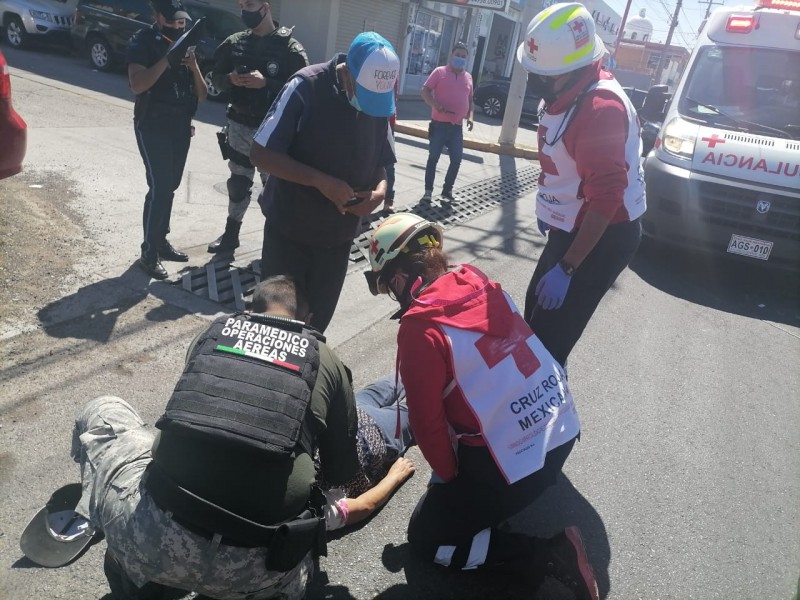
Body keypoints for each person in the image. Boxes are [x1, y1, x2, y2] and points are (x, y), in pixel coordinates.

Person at [69, 276, 360, 599]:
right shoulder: (326, 359)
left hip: (147, 537)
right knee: (306, 561)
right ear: (308, 320)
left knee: (103, 409)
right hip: (257, 570)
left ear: (249, 310)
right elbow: (341, 473)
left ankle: (135, 574)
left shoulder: (213, 333)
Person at [363, 213, 599, 600]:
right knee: (459, 499)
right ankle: (493, 504)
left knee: (427, 538)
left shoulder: (421, 327)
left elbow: (428, 425)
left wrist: (449, 478)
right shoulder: (478, 281)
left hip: (516, 461)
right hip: (559, 433)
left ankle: (549, 556)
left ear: (400, 279)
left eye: (390, 287)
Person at [516, 2, 646, 367]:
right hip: (572, 227)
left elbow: (606, 198)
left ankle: (548, 398)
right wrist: (552, 210)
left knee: (547, 344)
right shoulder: (568, 91)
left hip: (601, 236)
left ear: (576, 69)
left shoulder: (599, 110)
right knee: (533, 325)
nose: (537, 81)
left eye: (545, 75)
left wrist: (568, 268)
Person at [250, 31, 398, 333]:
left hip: (337, 241)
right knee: (277, 327)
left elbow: (381, 164)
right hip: (289, 233)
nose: (368, 106)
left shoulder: (379, 103)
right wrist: (320, 181)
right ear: (347, 73)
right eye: (364, 94)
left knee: (315, 330)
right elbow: (260, 153)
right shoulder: (306, 86)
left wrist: (379, 193)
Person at [206, 0, 309, 254]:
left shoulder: (290, 48)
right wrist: (230, 79)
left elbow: (304, 91)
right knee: (238, 183)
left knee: (275, 190)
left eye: (250, 4)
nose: (245, 11)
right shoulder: (234, 43)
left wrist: (267, 84)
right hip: (239, 126)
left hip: (273, 131)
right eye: (242, 5)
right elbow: (214, 80)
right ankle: (231, 235)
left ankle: (277, 241)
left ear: (265, 7)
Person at [127, 0, 208, 280]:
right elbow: (137, 84)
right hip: (152, 124)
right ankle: (149, 253)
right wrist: (167, 59)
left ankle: (160, 241)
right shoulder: (143, 41)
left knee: (169, 187)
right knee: (160, 187)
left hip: (180, 126)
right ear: (158, 16)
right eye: (172, 20)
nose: (178, 25)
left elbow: (202, 95)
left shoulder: (188, 44)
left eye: (181, 21)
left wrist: (193, 66)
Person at [320, 374, 416, 530]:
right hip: (353, 417)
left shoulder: (304, 511)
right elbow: (362, 506)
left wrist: (393, 477)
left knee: (415, 400)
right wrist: (394, 476)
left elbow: (363, 505)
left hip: (370, 431)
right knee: (402, 379)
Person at [420, 42, 474, 203]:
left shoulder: (468, 77)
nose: (460, 58)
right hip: (439, 125)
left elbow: (470, 100)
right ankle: (428, 192)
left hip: (457, 128)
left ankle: (447, 190)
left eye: (463, 56)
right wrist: (435, 104)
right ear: (451, 55)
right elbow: (424, 91)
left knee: (456, 160)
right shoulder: (439, 72)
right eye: (458, 55)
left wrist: (470, 117)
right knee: (433, 158)